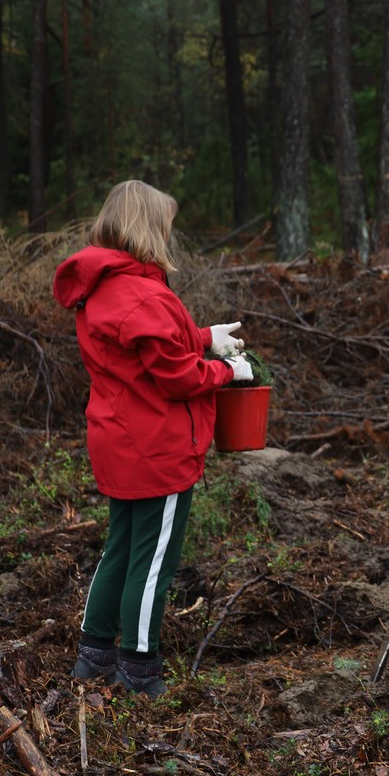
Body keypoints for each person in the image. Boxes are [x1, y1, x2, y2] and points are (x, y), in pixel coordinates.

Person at [53, 180, 253, 697]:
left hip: (118, 438)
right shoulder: (140, 292)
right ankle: (140, 666)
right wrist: (227, 371)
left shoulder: (106, 284)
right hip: (157, 445)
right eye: (164, 224)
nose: (169, 233)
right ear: (147, 227)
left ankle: (93, 652)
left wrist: (207, 337)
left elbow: (150, 346)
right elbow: (178, 376)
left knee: (121, 545)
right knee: (154, 557)